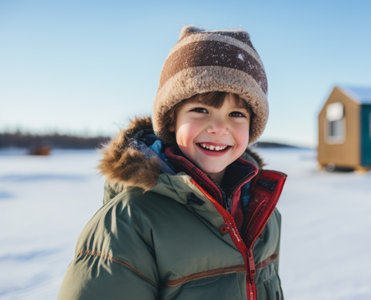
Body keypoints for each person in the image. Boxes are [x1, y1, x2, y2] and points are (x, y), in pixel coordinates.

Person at [58, 25, 287, 300]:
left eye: (236, 113)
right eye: (200, 110)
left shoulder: (262, 211)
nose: (218, 127)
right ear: (170, 120)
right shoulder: (131, 221)